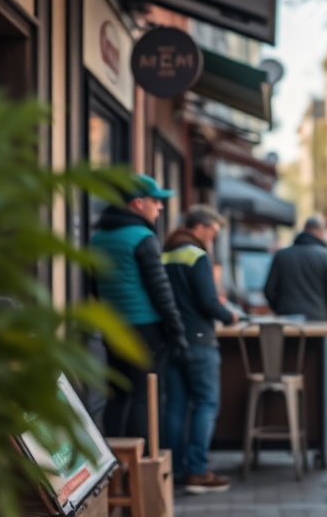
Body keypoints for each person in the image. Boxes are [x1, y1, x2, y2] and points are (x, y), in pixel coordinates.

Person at [90, 174, 190, 440]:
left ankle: (119, 463)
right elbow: (162, 292)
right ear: (137, 203)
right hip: (146, 330)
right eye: (155, 201)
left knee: (117, 396)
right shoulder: (143, 238)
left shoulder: (97, 238)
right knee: (145, 398)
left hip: (113, 329)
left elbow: (94, 287)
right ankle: (143, 466)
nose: (160, 207)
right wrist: (177, 331)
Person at [162, 206, 238, 495]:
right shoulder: (196, 255)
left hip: (172, 341)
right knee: (206, 404)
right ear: (202, 227)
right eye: (214, 233)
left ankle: (175, 470)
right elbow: (208, 301)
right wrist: (229, 314)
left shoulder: (165, 254)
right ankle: (197, 471)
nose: (213, 239)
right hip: (199, 340)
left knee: (176, 408)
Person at [263, 215, 327, 322]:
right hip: (317, 321)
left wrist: (279, 311)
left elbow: (269, 289)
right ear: (318, 231)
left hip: (287, 320)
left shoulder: (282, 255)